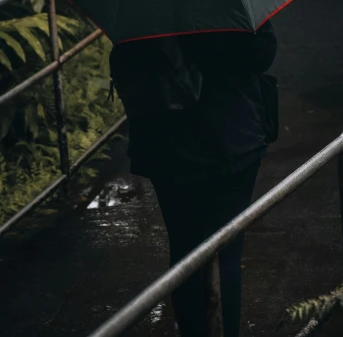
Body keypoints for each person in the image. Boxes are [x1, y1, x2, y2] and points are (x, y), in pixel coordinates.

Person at [108, 21, 278, 337]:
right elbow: (259, 54)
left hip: (164, 141)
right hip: (229, 135)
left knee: (185, 252)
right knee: (224, 252)